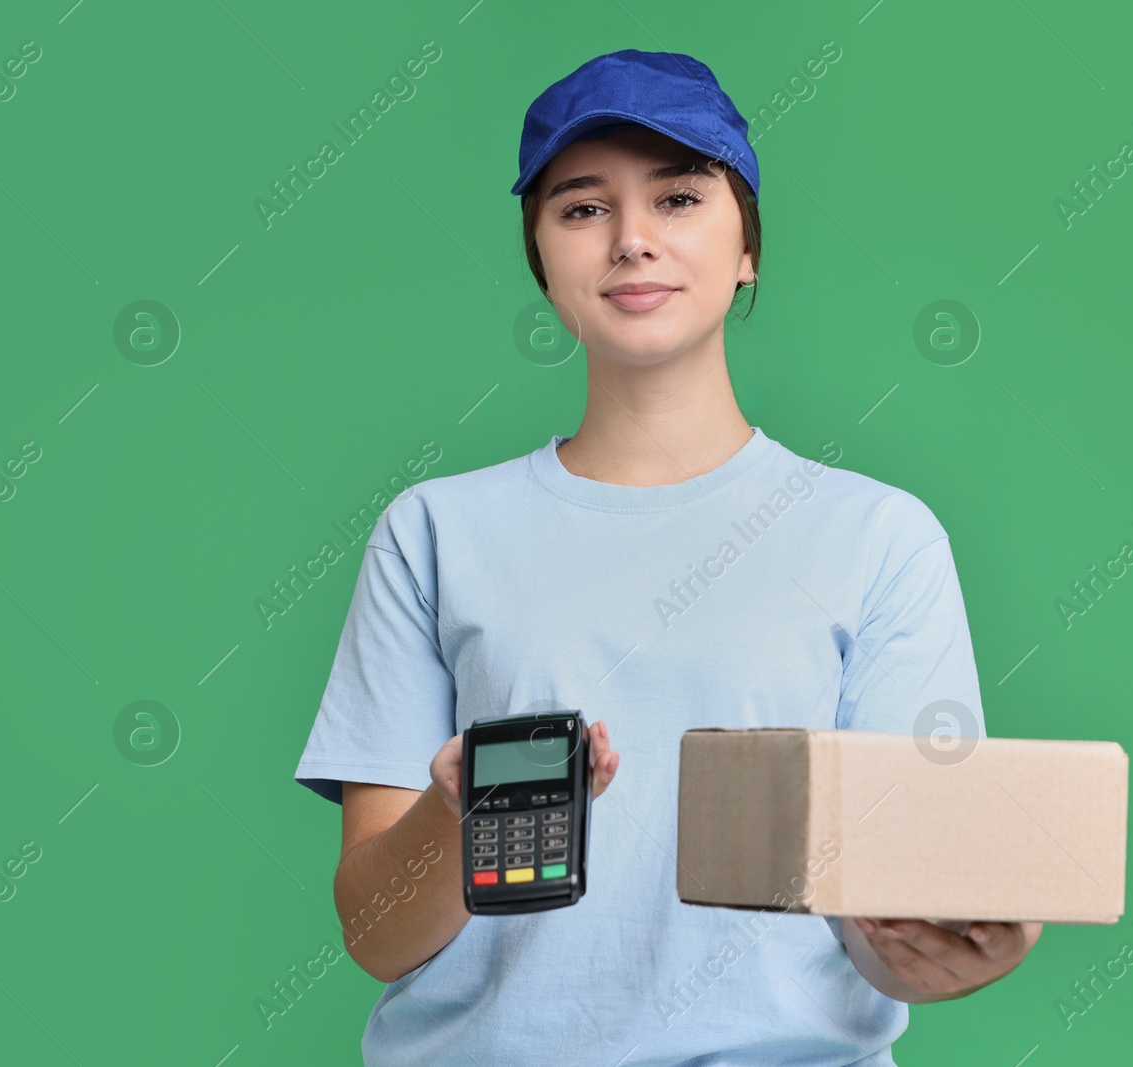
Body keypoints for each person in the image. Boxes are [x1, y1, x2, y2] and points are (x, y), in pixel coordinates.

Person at [293, 48, 1040, 1066]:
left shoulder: (878, 536)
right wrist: (456, 812)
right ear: (543, 259)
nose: (633, 240)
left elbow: (884, 934)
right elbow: (376, 936)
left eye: (680, 198)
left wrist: (949, 949)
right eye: (583, 208)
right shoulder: (433, 531)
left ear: (747, 252)